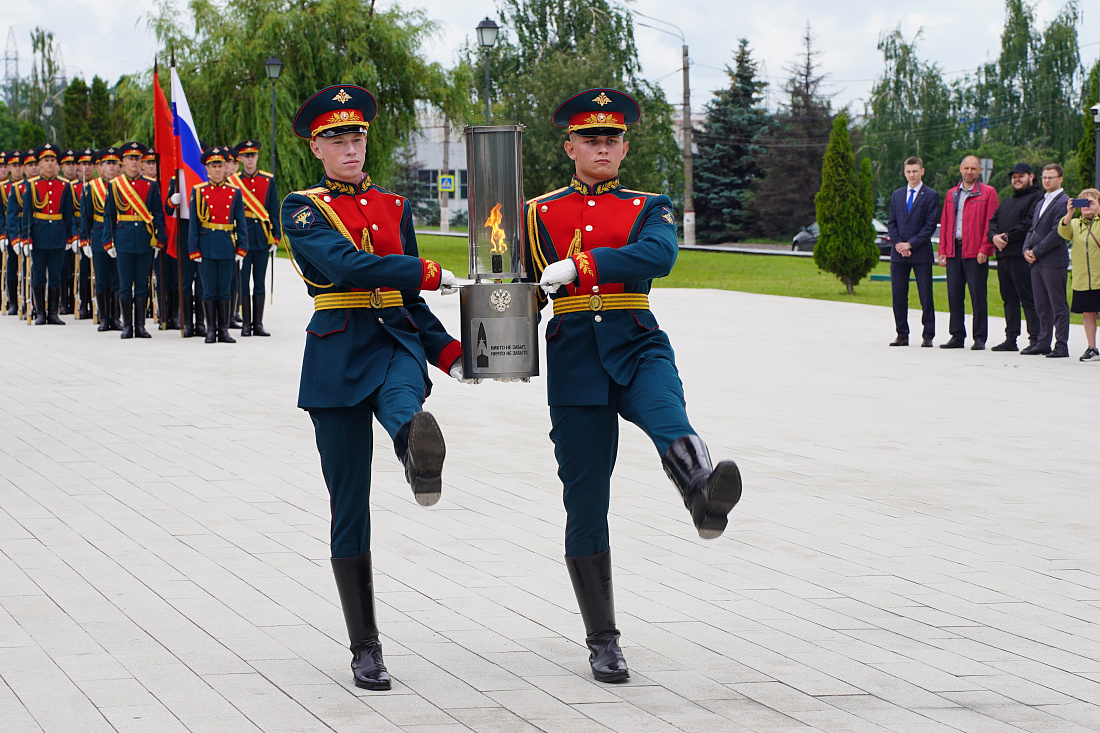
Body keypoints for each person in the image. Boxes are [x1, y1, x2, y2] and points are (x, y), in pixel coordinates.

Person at [526, 88, 742, 684]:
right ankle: (603, 639)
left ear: (625, 147)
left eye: (612, 139)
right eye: (590, 138)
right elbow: (519, 285)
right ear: (569, 145)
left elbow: (660, 255)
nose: (602, 147)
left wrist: (583, 265)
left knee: (669, 417)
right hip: (574, 359)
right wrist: (481, 334)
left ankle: (703, 493)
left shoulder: (651, 204)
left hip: (637, 337)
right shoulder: (536, 212)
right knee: (586, 496)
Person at [280, 84, 462, 691]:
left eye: (356, 135)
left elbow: (407, 297)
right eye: (337, 137)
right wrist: (426, 269)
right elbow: (347, 268)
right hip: (336, 348)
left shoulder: (393, 205)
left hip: (393, 339)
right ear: (316, 148)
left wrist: (449, 352)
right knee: (348, 506)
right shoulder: (301, 208)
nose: (350, 146)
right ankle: (366, 647)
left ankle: (416, 451)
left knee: (403, 402)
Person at [102, 141, 166, 339]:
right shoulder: (114, 185)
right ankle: (127, 326)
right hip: (123, 239)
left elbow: (158, 215)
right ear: (123, 161)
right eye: (131, 158)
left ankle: (140, 325)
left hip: (145, 240)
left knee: (142, 284)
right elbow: (109, 216)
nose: (134, 162)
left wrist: (159, 240)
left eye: (138, 159)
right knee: (124, 284)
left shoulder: (150, 184)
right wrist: (108, 241)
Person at [938, 155, 1000, 349]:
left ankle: (980, 337)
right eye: (966, 168)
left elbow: (992, 223)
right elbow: (946, 222)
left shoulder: (988, 193)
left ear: (980, 171)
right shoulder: (952, 194)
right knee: (954, 294)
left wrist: (985, 248)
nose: (969, 172)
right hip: (954, 250)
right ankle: (957, 335)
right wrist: (943, 249)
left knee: (977, 295)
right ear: (960, 169)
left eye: (973, 168)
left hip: (975, 252)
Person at [188, 147, 248, 344]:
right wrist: (194, 248)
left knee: (224, 290)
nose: (216, 170)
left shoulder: (234, 192)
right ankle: (211, 330)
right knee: (208, 290)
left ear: (225, 168)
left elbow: (241, 221)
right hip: (206, 246)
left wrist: (242, 247)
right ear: (207, 169)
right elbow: (194, 224)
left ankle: (223, 330)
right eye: (213, 166)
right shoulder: (198, 191)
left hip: (226, 245)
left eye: (220, 166)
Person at [986, 163, 1042, 351]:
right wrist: (994, 237)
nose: (1017, 180)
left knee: (1028, 298)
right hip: (1004, 257)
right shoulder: (1008, 201)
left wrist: (1007, 237)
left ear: (1031, 176)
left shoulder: (1036, 197)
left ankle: (1036, 339)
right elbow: (992, 221)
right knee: (1008, 299)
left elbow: (1028, 223)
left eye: (1021, 176)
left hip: (1021, 257)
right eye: (1014, 177)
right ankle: (1011, 339)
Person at [21, 142, 77, 325]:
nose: (50, 163)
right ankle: (40, 313)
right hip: (38, 235)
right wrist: (26, 237)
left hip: (58, 234)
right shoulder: (32, 184)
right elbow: (27, 214)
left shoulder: (65, 185)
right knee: (38, 276)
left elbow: (68, 214)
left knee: (55, 275)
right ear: (40, 164)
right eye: (46, 160)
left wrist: (70, 236)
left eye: (53, 160)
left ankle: (53, 312)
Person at [886, 156, 940, 346]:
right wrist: (899, 244)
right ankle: (902, 334)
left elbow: (930, 225)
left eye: (915, 171)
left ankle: (928, 335)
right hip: (898, 254)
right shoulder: (897, 195)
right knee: (899, 295)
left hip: (920, 253)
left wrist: (911, 244)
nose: (912, 175)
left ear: (922, 171)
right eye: (908, 171)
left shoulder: (931, 195)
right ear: (904, 172)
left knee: (925, 295)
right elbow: (891, 222)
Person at [232, 139, 281, 336]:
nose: (250, 159)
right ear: (241, 158)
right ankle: (245, 324)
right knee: (244, 282)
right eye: (246, 156)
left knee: (259, 282)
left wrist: (276, 237)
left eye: (253, 155)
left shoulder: (268, 180)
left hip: (262, 238)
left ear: (257, 157)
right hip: (242, 240)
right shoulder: (234, 181)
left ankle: (258, 324)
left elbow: (273, 209)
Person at [1022, 164, 1071, 357]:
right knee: (1041, 304)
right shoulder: (1041, 202)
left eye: (1051, 177)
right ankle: (1043, 342)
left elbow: (1057, 233)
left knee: (1057, 304)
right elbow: (1032, 229)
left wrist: (1036, 251)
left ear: (1060, 179)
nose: (1047, 181)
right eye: (1044, 177)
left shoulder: (1063, 202)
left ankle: (1061, 345)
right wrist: (1026, 249)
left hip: (1052, 261)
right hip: (1036, 262)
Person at [83, 147, 123, 331]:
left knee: (117, 278)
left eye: (115, 163)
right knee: (102, 279)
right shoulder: (91, 187)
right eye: (108, 163)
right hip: (99, 235)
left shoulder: (123, 186)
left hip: (120, 234)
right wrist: (85, 240)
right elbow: (86, 216)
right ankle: (104, 317)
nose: (112, 167)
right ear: (100, 166)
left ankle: (115, 317)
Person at [1058, 189, 1100, 361]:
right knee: (1088, 312)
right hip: (1083, 277)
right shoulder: (1075, 223)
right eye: (1082, 203)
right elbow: (1063, 232)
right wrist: (1069, 213)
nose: (1086, 207)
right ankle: (1092, 347)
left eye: (1089, 202)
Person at [165, 174, 206, 338]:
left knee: (202, 284)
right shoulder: (177, 178)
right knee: (185, 283)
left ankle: (201, 323)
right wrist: (172, 201)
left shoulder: (205, 177)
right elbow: (168, 209)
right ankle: (187, 323)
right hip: (184, 237)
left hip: (204, 236)